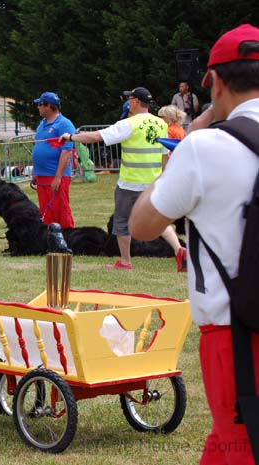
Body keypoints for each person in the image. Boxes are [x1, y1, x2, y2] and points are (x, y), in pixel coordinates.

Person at [129, 24, 259, 465]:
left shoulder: (205, 148)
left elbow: (142, 224)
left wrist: (196, 130)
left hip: (236, 334)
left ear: (216, 83)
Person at [60, 87, 185, 271]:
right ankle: (180, 250)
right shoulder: (160, 123)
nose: (128, 102)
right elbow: (165, 154)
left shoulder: (129, 123)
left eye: (130, 99)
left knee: (121, 222)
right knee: (158, 220)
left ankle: (125, 261)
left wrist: (71, 136)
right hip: (152, 182)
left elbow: (96, 136)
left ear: (135, 102)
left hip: (130, 183)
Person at [32, 92, 76, 228]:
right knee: (46, 211)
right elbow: (39, 146)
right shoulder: (42, 123)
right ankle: (50, 239)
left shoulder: (64, 124)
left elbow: (66, 152)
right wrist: (35, 171)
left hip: (55, 175)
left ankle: (68, 237)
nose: (38, 107)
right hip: (42, 175)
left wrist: (58, 177)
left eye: (40, 104)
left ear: (49, 106)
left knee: (61, 210)